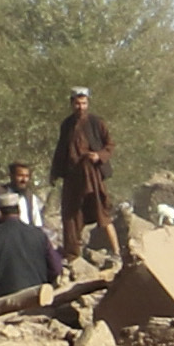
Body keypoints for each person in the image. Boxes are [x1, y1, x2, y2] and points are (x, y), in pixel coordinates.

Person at [53, 90, 118, 263]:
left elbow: (110, 144)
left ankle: (117, 252)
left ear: (88, 103)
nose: (80, 107)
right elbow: (61, 150)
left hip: (92, 175)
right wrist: (55, 172)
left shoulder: (96, 123)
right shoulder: (66, 125)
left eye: (84, 103)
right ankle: (73, 256)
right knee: (71, 216)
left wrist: (99, 156)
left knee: (102, 213)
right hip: (72, 177)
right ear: (71, 103)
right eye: (77, 103)